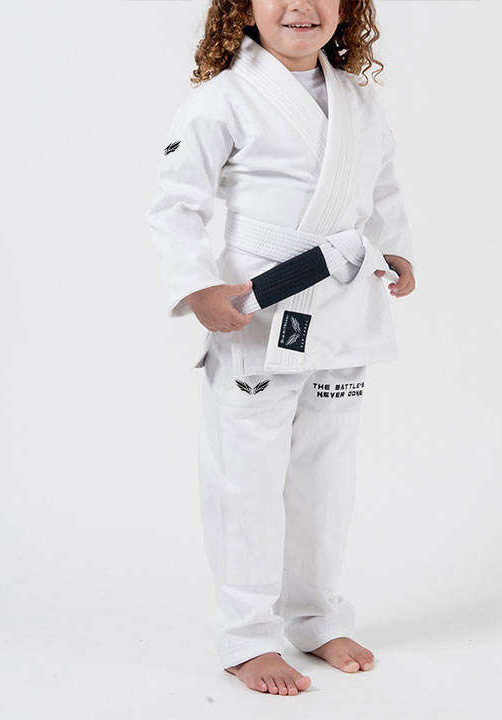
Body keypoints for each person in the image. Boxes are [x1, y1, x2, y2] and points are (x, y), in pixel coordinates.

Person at [147, 0, 416, 696]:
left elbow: (382, 187)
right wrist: (198, 286)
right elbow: (177, 204)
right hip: (260, 307)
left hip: (343, 305)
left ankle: (316, 617)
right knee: (247, 476)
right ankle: (246, 636)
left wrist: (394, 249)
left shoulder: (360, 99)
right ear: (243, 7)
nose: (301, 6)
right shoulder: (223, 98)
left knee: (327, 474)